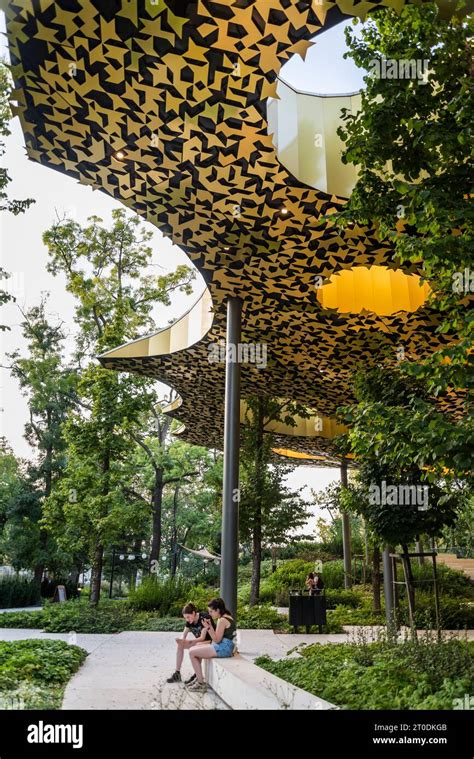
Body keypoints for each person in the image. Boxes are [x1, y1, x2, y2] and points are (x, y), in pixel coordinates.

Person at [187, 598, 237, 693]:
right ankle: (198, 678)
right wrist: (209, 627)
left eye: (211, 611)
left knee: (192, 652)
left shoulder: (222, 620)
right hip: (226, 646)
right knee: (196, 647)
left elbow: (217, 640)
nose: (210, 614)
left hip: (224, 648)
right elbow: (219, 638)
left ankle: (200, 683)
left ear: (217, 610)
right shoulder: (228, 617)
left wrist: (208, 627)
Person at [166, 602, 214, 685]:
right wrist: (181, 640)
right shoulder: (189, 621)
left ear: (194, 613)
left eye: (188, 617)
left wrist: (190, 642)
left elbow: (202, 638)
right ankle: (177, 673)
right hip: (200, 642)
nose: (187, 620)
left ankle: (197, 675)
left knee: (196, 646)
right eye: (185, 618)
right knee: (180, 645)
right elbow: (184, 634)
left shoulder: (204, 618)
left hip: (210, 642)